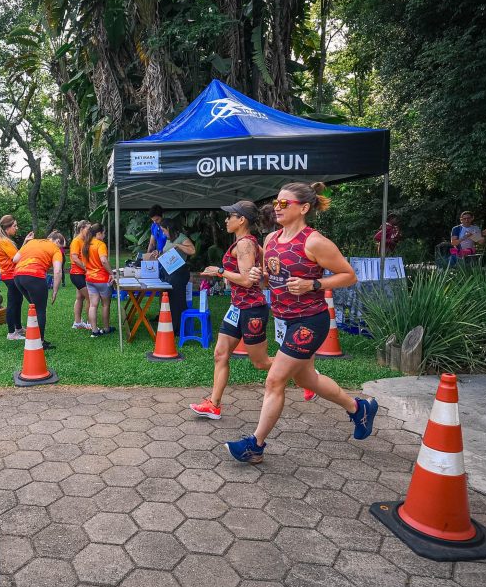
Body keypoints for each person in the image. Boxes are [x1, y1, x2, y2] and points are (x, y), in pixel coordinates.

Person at [224, 182, 379, 464]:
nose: (277, 208)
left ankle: (254, 447)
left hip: (311, 320)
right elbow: (273, 278)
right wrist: (261, 277)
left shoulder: (314, 241)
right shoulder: (270, 240)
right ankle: (359, 409)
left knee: (275, 380)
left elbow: (349, 275)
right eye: (276, 203)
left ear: (304, 208)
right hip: (284, 318)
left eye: (285, 204)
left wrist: (314, 283)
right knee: (308, 378)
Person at [190, 201, 272, 419]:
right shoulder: (247, 243)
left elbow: (246, 281)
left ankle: (304, 372)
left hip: (252, 309)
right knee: (220, 354)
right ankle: (213, 405)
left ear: (242, 220)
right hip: (237, 308)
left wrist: (219, 271)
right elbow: (263, 271)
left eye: (230, 216)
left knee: (260, 362)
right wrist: (262, 275)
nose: (226, 220)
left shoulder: (245, 244)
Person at [12, 231, 65, 349]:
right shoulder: (55, 249)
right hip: (34, 276)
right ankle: (39, 342)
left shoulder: (32, 242)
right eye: (61, 247)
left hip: (18, 277)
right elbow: (57, 271)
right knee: (40, 310)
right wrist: (55, 291)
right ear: (57, 241)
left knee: (35, 307)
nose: (61, 250)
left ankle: (34, 338)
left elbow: (15, 259)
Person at [158, 217, 195, 340]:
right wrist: (159, 254)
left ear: (169, 228)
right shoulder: (169, 240)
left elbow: (192, 250)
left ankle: (178, 329)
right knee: (169, 300)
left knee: (177, 302)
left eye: (164, 230)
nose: (163, 233)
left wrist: (179, 246)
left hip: (179, 273)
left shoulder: (181, 238)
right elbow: (168, 253)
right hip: (169, 273)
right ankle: (170, 326)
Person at [0, 215, 24, 340]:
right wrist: (26, 244)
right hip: (10, 275)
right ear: (7, 228)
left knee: (18, 300)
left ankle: (18, 328)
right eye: (14, 226)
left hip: (11, 274)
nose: (16, 228)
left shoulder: (4, 239)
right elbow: (17, 258)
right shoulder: (4, 241)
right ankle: (11, 333)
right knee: (13, 303)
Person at [83, 223, 114, 337]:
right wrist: (112, 273)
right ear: (98, 233)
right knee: (106, 305)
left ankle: (94, 330)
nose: (104, 235)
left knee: (93, 305)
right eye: (104, 233)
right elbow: (104, 261)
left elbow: (84, 263)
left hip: (89, 278)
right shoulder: (100, 244)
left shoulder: (85, 244)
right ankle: (106, 328)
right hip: (102, 279)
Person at [69, 220, 91, 329]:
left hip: (81, 274)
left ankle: (77, 322)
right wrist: (86, 268)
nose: (90, 231)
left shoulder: (84, 241)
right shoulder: (76, 241)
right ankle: (90, 323)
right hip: (77, 274)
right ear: (82, 229)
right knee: (90, 298)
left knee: (80, 297)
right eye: (88, 229)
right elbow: (74, 257)